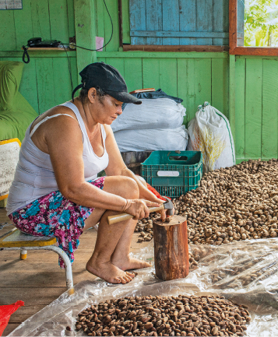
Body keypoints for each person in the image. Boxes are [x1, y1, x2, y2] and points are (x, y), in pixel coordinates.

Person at [6, 62, 166, 284]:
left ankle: (120, 256)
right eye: (116, 104)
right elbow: (72, 188)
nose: (120, 111)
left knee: (134, 182)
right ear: (93, 95)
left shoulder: (101, 125)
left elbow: (119, 170)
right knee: (127, 190)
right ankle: (100, 262)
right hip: (31, 210)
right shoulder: (64, 122)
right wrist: (128, 204)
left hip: (61, 200)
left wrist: (158, 201)